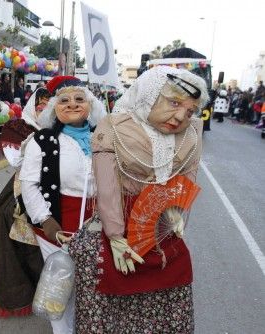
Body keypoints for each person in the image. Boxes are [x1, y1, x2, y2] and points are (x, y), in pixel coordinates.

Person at [87, 66, 208, 333]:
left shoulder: (192, 131)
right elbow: (106, 188)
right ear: (149, 95)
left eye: (189, 111)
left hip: (162, 226)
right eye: (174, 103)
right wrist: (116, 236)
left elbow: (187, 176)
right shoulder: (114, 125)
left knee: (172, 285)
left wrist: (175, 213)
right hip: (118, 219)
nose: (180, 117)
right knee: (115, 283)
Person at [19, 76, 106, 333]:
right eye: (64, 100)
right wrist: (47, 221)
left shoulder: (103, 138)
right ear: (53, 107)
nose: (72, 104)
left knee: (88, 289)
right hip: (57, 228)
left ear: (91, 105)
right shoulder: (42, 141)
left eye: (80, 99)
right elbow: (29, 185)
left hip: (96, 227)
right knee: (59, 289)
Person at [0, 87, 50, 318]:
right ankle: (22, 291)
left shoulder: (65, 125)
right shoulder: (20, 127)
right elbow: (17, 162)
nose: (44, 109)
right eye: (40, 105)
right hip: (26, 183)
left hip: (56, 185)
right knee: (6, 217)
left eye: (48, 104)